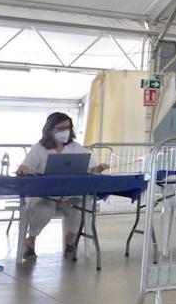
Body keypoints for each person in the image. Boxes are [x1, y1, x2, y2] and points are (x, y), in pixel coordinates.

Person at [15, 112, 108, 261]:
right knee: (45, 209)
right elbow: (25, 167)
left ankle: (70, 240)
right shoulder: (39, 149)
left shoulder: (76, 147)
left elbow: (91, 168)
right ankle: (30, 239)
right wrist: (23, 170)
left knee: (82, 206)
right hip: (44, 195)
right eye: (61, 128)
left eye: (68, 128)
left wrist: (98, 168)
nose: (65, 131)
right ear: (50, 129)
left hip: (70, 195)